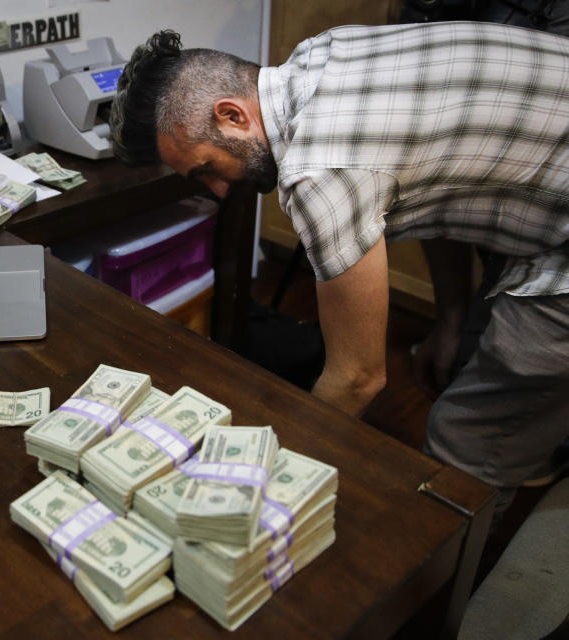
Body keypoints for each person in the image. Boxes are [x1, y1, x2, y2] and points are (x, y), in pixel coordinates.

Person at [109, 22, 569, 522]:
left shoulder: (320, 171)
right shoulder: (322, 54)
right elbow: (440, 185)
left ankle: (456, 582)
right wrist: (452, 317)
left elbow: (358, 378)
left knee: (463, 444)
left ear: (232, 116)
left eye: (206, 169)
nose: (219, 190)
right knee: (501, 386)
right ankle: (537, 431)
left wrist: (266, 484)